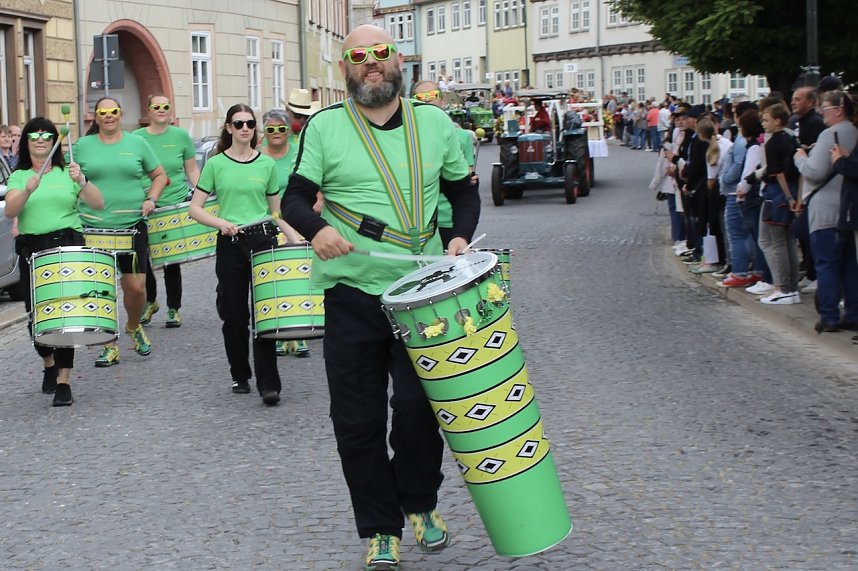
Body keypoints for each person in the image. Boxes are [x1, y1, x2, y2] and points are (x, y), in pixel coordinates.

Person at [282, 25, 479, 571]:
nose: (371, 64)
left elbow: (463, 190)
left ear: (398, 61)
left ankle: (419, 502)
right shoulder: (324, 127)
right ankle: (380, 528)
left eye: (380, 54)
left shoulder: (436, 123)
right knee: (357, 419)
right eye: (358, 56)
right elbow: (295, 197)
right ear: (345, 67)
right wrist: (315, 229)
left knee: (420, 408)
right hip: (351, 292)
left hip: (424, 292)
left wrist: (459, 235)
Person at [189, 103, 292, 406]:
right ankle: (240, 374)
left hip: (263, 239)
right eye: (239, 124)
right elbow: (195, 208)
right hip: (230, 242)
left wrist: (296, 239)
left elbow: (276, 211)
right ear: (228, 128)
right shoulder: (216, 164)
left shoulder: (266, 165)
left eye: (249, 124)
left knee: (266, 314)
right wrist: (220, 223)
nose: (245, 128)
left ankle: (269, 384)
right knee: (234, 315)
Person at [4, 117, 104, 406]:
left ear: (54, 140)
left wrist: (82, 181)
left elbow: (98, 203)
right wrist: (27, 190)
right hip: (33, 249)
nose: (39, 138)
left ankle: (64, 382)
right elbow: (11, 210)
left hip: (68, 244)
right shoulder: (19, 176)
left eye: (46, 134)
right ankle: (47, 362)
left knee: (65, 317)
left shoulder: (67, 172)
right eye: (33, 134)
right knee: (37, 319)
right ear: (25, 142)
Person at [76, 97, 168, 366]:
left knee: (136, 288)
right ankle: (109, 344)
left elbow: (160, 175)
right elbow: (68, 178)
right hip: (93, 227)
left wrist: (151, 198)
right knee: (100, 290)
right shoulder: (82, 146)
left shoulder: (136, 143)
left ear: (120, 113)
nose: (108, 116)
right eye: (102, 112)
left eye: (113, 111)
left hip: (131, 225)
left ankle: (132, 325)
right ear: (95, 117)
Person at [794, 91, 858, 331]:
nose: (821, 111)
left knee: (827, 265)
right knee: (850, 265)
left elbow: (815, 171)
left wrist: (800, 158)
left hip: (826, 209)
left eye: (826, 107)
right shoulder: (855, 132)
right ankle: (852, 313)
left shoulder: (829, 134)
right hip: (849, 208)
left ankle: (829, 316)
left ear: (839, 110)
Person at [134, 94, 200, 329]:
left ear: (171, 111)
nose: (161, 110)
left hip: (174, 203)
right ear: (148, 111)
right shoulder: (136, 138)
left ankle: (174, 308)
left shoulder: (181, 136)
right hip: (145, 204)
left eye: (165, 106)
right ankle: (150, 301)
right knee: (144, 257)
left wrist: (203, 194)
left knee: (172, 259)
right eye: (156, 106)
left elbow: (191, 170)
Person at [259, 107, 311, 358]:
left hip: (299, 220)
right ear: (264, 132)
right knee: (276, 282)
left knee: (301, 279)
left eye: (281, 128)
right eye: (270, 129)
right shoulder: (257, 157)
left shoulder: (300, 151)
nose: (276, 133)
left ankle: (300, 335)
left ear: (289, 129)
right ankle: (281, 333)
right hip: (269, 223)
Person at [413, 80, 478, 248]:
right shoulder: (404, 137)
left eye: (432, 95)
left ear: (442, 100)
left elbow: (466, 180)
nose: (426, 100)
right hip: (418, 223)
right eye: (420, 97)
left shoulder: (462, 136)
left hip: (448, 217)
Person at [757, 102, 801, 305]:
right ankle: (791, 288)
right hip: (790, 192)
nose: (763, 124)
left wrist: (789, 198)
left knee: (777, 243)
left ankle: (782, 287)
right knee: (788, 242)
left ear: (777, 120)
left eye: (766, 120)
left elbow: (778, 173)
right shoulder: (792, 137)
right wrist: (796, 197)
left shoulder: (774, 142)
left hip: (777, 195)